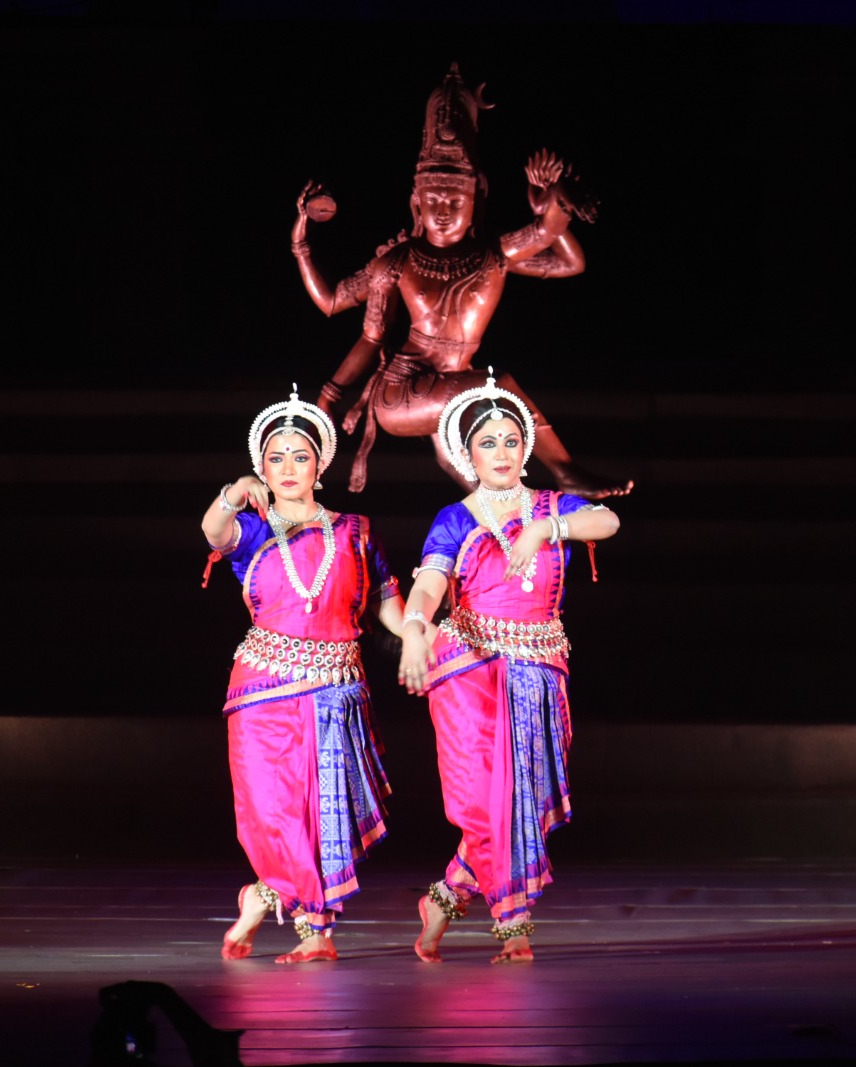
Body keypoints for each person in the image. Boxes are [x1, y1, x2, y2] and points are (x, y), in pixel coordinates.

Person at [289, 63, 631, 500]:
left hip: (453, 385)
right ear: (416, 203)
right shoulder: (398, 261)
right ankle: (564, 471)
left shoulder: (492, 255)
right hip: (402, 391)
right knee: (497, 386)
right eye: (432, 199)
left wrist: (552, 198)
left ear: (476, 199)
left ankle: (503, 519)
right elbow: (339, 308)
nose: (443, 210)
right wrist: (301, 245)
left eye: (455, 199)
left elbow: (565, 257)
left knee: (481, 486)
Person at [395, 370, 621, 963]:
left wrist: (549, 527)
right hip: (469, 670)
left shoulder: (551, 506)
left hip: (539, 671)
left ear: (525, 448)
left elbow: (609, 521)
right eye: (487, 442)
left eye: (512, 440)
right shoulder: (455, 518)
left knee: (526, 798)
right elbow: (430, 583)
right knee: (486, 800)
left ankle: (446, 896)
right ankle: (514, 923)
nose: (501, 452)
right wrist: (415, 628)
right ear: (466, 454)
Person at [200, 385, 404, 963]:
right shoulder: (253, 529)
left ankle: (292, 916)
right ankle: (292, 913)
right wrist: (233, 492)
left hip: (335, 692)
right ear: (262, 468)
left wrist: (424, 634)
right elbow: (213, 532)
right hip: (262, 691)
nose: (287, 468)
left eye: (300, 456)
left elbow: (388, 606)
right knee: (271, 811)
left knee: (317, 815)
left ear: (320, 465)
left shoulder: (356, 531)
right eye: (275, 458)